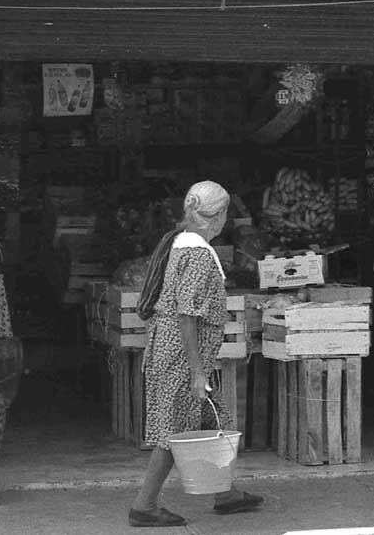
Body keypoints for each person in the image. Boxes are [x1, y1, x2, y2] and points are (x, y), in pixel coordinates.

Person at [129, 180, 263, 528]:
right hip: (181, 360)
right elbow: (187, 314)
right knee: (173, 435)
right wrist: (197, 372)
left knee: (213, 421)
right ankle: (143, 506)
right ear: (218, 216)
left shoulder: (182, 243)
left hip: (178, 356)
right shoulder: (198, 254)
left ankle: (225, 494)